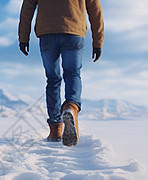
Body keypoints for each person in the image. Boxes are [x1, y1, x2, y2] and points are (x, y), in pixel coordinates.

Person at [18, 0, 104, 146]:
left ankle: (56, 129)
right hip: (74, 32)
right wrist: (98, 41)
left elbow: (27, 8)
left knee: (52, 80)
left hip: (47, 35)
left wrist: (23, 37)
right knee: (72, 74)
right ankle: (71, 106)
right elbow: (95, 10)